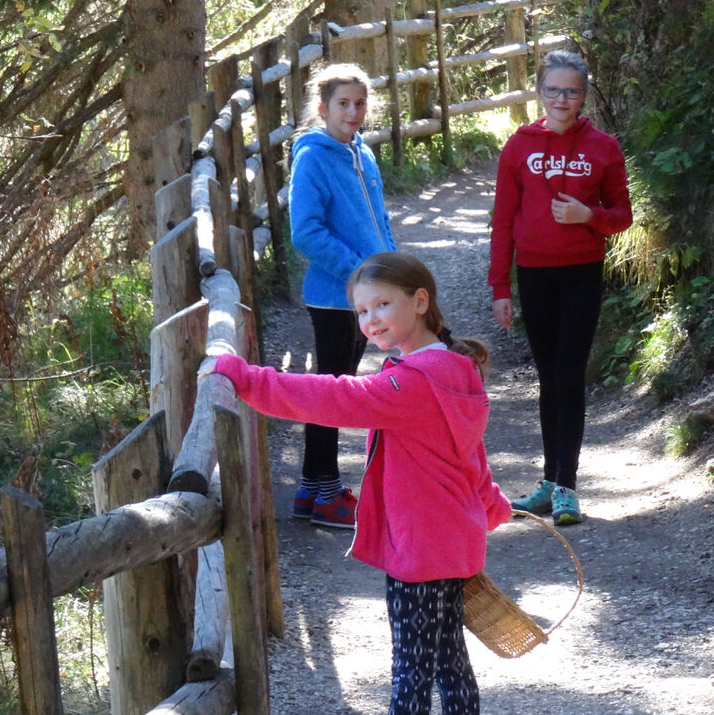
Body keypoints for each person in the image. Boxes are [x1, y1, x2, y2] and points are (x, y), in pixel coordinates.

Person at [203, 251, 512, 715]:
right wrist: (489, 502)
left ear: (420, 301)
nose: (371, 320)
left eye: (383, 305)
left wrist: (246, 378)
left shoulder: (413, 383)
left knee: (411, 669)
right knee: (449, 660)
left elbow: (335, 398)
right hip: (454, 543)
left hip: (419, 550)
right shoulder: (456, 367)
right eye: (363, 311)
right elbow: (470, 452)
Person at [488, 48, 632, 527]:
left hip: (580, 273)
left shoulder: (603, 148)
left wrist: (588, 216)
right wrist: (500, 287)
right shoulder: (518, 146)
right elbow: (503, 220)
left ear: (583, 95)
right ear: (540, 92)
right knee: (548, 380)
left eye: (571, 90)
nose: (561, 98)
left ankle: (567, 486)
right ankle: (550, 484)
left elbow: (622, 215)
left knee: (569, 377)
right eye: (553, 89)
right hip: (533, 273)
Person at [286, 62, 397, 528]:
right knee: (333, 393)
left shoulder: (362, 154)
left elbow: (378, 222)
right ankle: (327, 493)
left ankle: (313, 490)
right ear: (322, 108)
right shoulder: (313, 157)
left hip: (367, 294)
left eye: (359, 103)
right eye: (343, 104)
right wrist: (359, 273)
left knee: (337, 388)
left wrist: (393, 269)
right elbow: (305, 231)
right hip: (335, 296)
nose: (353, 112)